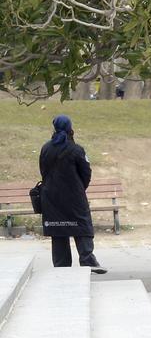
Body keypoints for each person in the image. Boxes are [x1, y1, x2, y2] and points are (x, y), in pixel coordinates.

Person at [38, 115, 107, 274]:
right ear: (70, 129)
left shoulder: (45, 148)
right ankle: (87, 260)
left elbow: (43, 171)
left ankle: (62, 267)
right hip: (74, 197)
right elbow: (86, 173)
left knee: (58, 231)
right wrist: (78, 188)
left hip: (51, 198)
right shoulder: (76, 149)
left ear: (54, 129)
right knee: (81, 226)